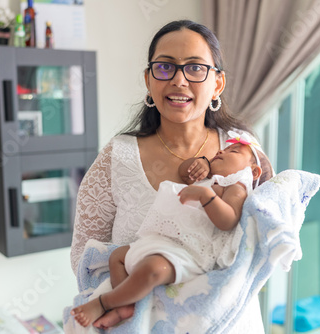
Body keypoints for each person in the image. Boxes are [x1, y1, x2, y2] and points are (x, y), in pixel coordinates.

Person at [70, 19, 273, 331]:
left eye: (195, 68)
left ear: (217, 83)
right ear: (149, 80)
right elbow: (85, 254)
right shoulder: (118, 155)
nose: (179, 80)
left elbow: (265, 235)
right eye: (165, 67)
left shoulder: (241, 151)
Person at [71, 137, 263, 327]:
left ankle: (104, 302)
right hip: (168, 241)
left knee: (153, 270)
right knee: (117, 258)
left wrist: (206, 196)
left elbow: (227, 220)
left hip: (191, 250)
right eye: (222, 150)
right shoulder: (212, 178)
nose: (222, 151)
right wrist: (201, 163)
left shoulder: (235, 187)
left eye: (234, 152)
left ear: (253, 171)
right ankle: (124, 305)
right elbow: (184, 171)